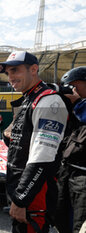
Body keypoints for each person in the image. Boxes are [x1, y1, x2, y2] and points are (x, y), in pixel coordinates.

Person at [0, 51, 68, 233]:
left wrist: (21, 199)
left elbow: (43, 156)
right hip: (21, 189)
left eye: (15, 70)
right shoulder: (30, 99)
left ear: (34, 69)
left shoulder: (49, 101)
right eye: (8, 73)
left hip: (34, 196)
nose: (11, 77)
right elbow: (16, 143)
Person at [54, 66, 86, 233]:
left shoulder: (81, 107)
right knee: (60, 216)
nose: (72, 90)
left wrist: (78, 103)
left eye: (75, 86)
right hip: (67, 170)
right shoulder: (74, 111)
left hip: (83, 176)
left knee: (79, 223)